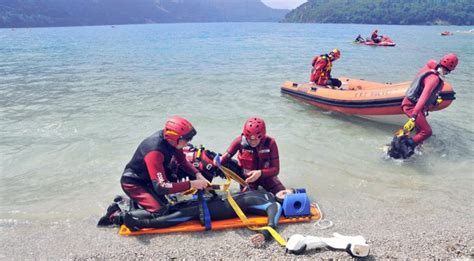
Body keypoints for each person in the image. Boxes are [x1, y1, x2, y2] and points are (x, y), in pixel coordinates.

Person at [98, 116, 210, 226]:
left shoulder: (172, 142)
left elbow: (182, 161)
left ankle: (133, 202)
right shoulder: (155, 150)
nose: (188, 143)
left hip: (149, 180)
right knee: (161, 213)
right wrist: (191, 184)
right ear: (174, 137)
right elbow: (161, 187)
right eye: (187, 139)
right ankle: (115, 215)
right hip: (133, 183)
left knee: (169, 206)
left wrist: (198, 174)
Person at [123, 189, 296, 246]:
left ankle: (141, 224)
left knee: (183, 214)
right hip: (218, 199)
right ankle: (124, 214)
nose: (285, 191)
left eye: (289, 194)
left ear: (291, 200)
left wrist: (264, 236)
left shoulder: (275, 205)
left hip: (221, 211)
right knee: (177, 206)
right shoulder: (265, 191)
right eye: (287, 189)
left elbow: (272, 224)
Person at [217, 117, 286, 195]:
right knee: (248, 200)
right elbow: (224, 158)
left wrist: (260, 173)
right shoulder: (239, 142)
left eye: (255, 139)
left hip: (267, 177)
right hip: (248, 179)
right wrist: (218, 161)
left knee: (283, 195)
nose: (252, 142)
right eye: (249, 139)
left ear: (262, 136)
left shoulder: (270, 143)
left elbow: (276, 170)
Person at [401, 54, 459, 146]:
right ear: (450, 70)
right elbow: (424, 96)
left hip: (413, 104)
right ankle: (403, 147)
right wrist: (413, 117)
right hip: (412, 106)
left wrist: (434, 101)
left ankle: (415, 148)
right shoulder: (434, 78)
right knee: (427, 132)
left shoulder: (430, 69)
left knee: (419, 130)